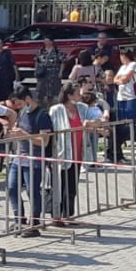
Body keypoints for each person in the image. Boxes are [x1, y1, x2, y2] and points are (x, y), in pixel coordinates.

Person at [10, 87, 55, 237]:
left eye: (19, 103)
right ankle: (19, 220)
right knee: (12, 188)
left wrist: (24, 135)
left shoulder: (42, 116)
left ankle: (34, 223)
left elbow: (44, 141)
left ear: (28, 99)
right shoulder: (22, 113)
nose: (18, 107)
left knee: (32, 192)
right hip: (19, 158)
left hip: (34, 160)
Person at [48, 83, 88, 224]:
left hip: (77, 154)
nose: (80, 95)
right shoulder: (56, 110)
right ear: (69, 95)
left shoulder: (82, 108)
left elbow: (94, 118)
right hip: (61, 153)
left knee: (72, 187)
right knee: (59, 186)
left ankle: (68, 214)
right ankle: (56, 215)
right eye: (77, 93)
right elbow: (50, 130)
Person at [34, 37, 64, 104]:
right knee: (40, 91)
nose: (45, 43)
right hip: (42, 73)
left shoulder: (57, 51)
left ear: (51, 42)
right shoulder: (41, 51)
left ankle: (49, 105)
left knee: (51, 92)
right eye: (45, 41)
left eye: (47, 41)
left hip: (53, 73)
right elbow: (37, 61)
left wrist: (61, 72)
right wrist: (36, 71)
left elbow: (62, 62)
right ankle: (40, 105)